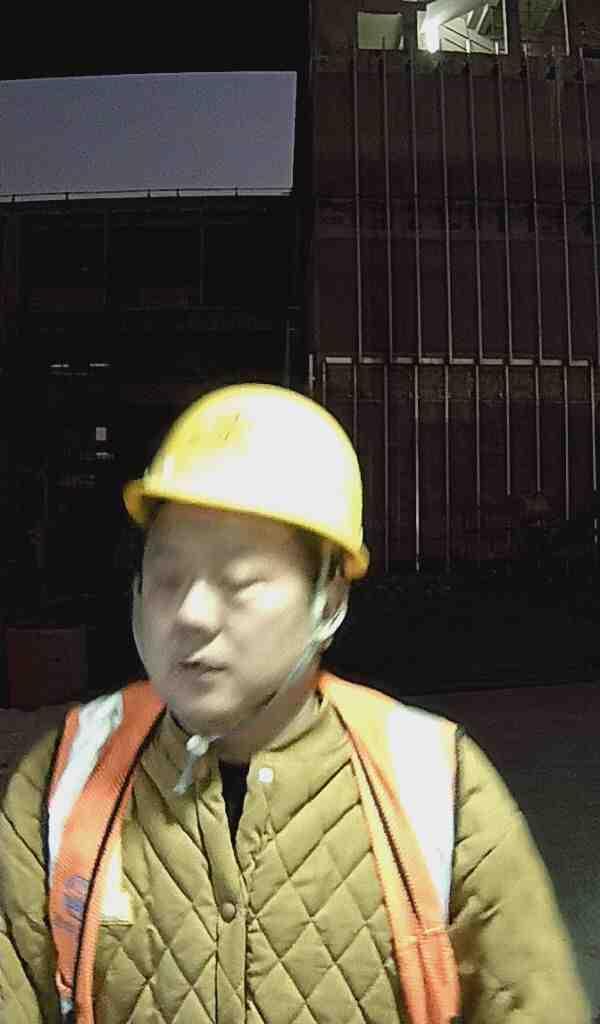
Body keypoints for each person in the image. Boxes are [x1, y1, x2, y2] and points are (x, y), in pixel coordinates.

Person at [0, 383, 591, 1023]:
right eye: (168, 577)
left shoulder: (437, 790)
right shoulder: (65, 779)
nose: (192, 614)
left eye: (240, 581)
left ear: (328, 601)